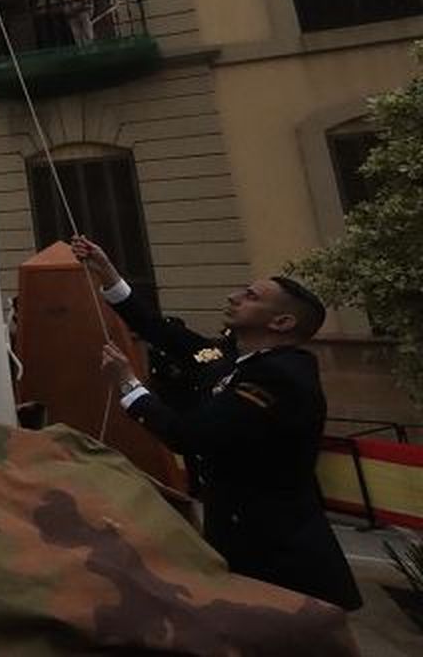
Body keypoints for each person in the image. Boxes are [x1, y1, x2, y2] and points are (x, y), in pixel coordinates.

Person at [72, 236, 362, 611]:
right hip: (237, 537)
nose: (234, 297)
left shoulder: (281, 378)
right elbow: (160, 330)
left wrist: (128, 385)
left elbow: (188, 436)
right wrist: (108, 272)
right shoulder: (232, 359)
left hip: (279, 556)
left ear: (282, 321)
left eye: (251, 296)